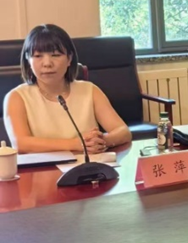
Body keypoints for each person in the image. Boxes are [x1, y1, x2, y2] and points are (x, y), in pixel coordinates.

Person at [3, 24, 132, 153]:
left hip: (89, 164)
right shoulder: (16, 97)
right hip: (44, 166)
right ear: (28, 60)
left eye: (55, 55)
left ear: (69, 59)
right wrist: (76, 144)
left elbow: (123, 131)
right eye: (38, 56)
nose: (47, 63)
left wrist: (101, 141)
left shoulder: (89, 90)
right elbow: (20, 144)